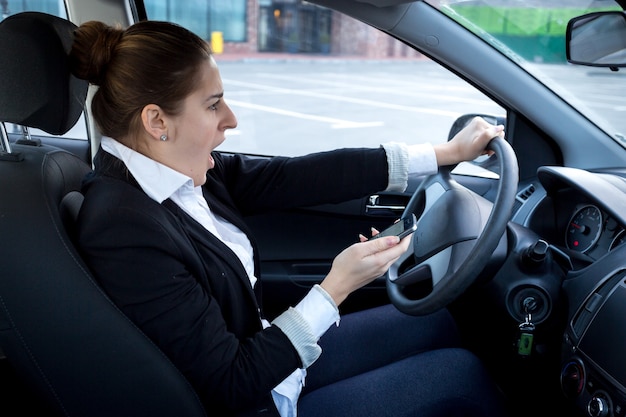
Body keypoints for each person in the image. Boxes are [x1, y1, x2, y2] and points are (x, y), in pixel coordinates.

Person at [69, 19, 509, 417]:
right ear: (156, 121)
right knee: (460, 377)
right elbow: (230, 384)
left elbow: (298, 177)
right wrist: (336, 287)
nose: (231, 120)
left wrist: (447, 153)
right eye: (213, 105)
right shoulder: (123, 227)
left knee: (436, 321)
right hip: (259, 400)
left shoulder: (185, 173)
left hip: (274, 360)